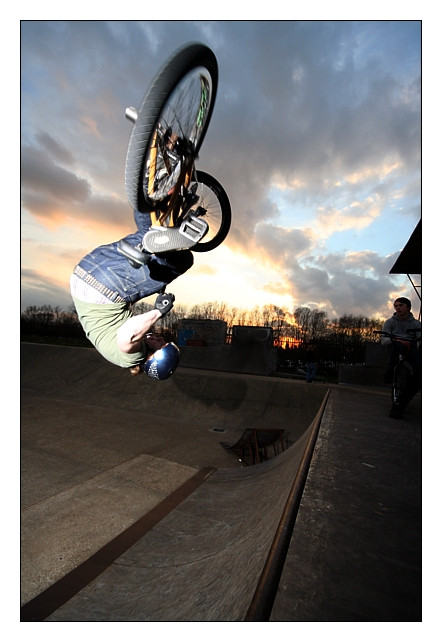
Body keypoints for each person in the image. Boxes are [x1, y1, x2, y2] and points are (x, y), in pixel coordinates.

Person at [70, 208, 194, 380]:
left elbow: (128, 334)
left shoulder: (134, 356)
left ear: (151, 357)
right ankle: (145, 194)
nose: (160, 338)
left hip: (104, 287)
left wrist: (158, 311)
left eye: (161, 344)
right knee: (148, 237)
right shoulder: (120, 354)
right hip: (83, 271)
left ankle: (169, 238)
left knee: (181, 262)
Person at [380, 297, 421, 417]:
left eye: (401, 305)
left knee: (418, 363)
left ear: (408, 307)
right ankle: (390, 372)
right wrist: (396, 340)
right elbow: (384, 340)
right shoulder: (390, 322)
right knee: (396, 347)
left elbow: (420, 338)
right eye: (396, 306)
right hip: (395, 345)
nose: (398, 308)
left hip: (410, 346)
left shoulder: (416, 324)